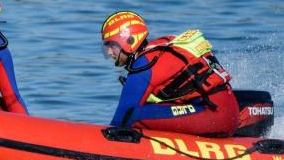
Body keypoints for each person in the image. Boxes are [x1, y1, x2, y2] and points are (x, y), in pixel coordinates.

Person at [101, 11, 239, 136]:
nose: (108, 52)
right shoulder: (159, 49)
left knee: (133, 115)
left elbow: (121, 118)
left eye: (112, 45)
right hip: (224, 111)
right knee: (146, 110)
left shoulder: (143, 65)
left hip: (214, 115)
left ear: (128, 41)